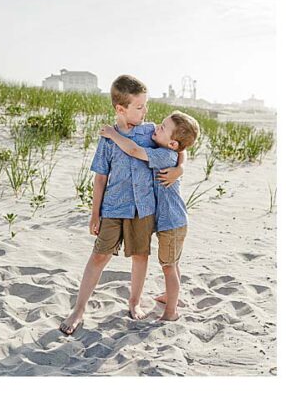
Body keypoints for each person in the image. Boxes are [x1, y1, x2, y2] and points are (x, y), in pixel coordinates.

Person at [59, 75, 182, 335]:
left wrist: (179, 170)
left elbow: (179, 148)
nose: (145, 111)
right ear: (120, 109)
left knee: (140, 256)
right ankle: (79, 308)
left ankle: (134, 301)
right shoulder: (106, 139)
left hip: (144, 208)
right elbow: (100, 178)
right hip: (113, 208)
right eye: (139, 107)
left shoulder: (150, 131)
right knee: (99, 255)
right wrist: (95, 213)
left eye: (145, 105)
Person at [100, 110, 199, 321]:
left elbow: (135, 151)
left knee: (169, 266)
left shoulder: (163, 155)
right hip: (172, 220)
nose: (157, 128)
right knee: (173, 263)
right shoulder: (168, 149)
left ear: (172, 143)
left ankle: (171, 312)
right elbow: (183, 150)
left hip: (171, 221)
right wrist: (181, 167)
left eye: (162, 128)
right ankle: (172, 296)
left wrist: (112, 134)